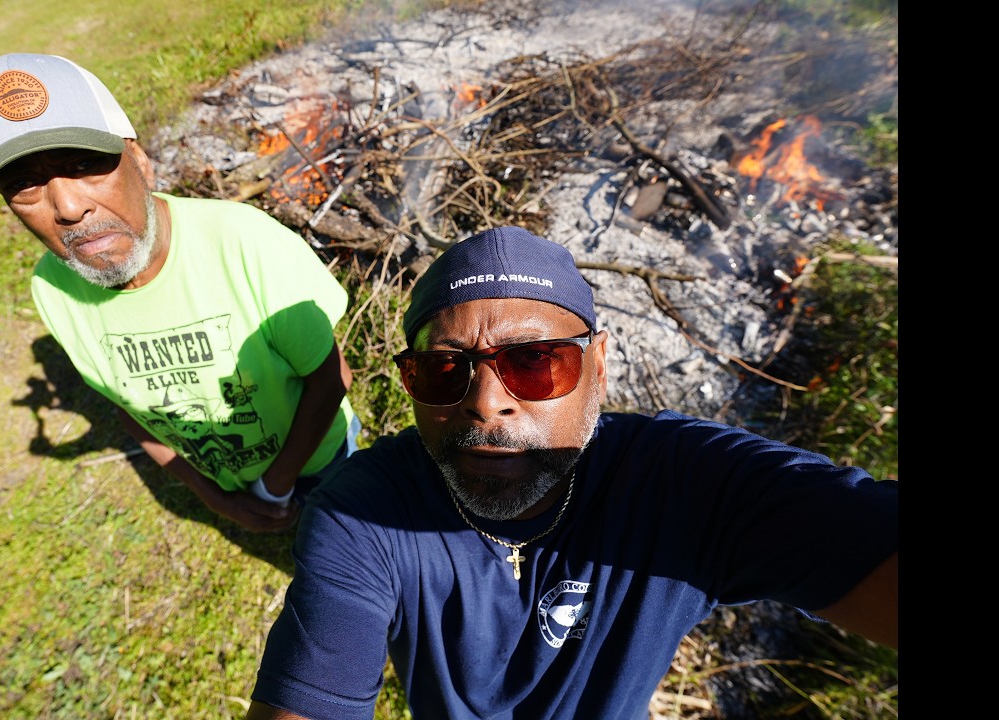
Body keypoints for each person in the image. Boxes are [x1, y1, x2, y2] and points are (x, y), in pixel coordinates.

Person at [244, 226, 897, 719]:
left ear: (600, 365)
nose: (486, 399)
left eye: (534, 361)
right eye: (445, 368)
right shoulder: (363, 508)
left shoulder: (683, 485)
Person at [0, 53, 360, 533]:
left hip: (320, 461)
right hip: (231, 479)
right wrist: (213, 496)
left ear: (140, 162)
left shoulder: (244, 243)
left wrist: (274, 486)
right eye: (23, 186)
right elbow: (127, 409)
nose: (67, 207)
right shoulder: (52, 290)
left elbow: (331, 378)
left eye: (86, 164)